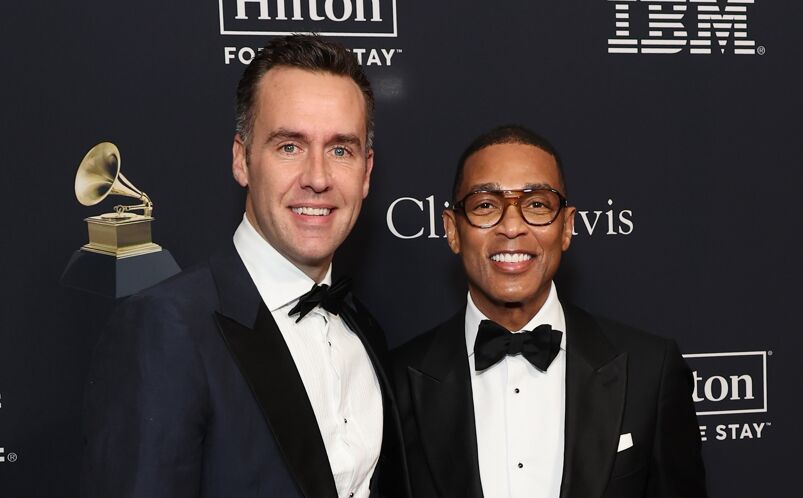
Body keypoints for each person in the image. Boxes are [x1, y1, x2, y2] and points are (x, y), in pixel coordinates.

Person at [81, 35, 409, 498]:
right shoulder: (165, 329)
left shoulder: (365, 331)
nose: (317, 178)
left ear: (366, 172)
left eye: (340, 150)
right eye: (289, 146)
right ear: (242, 159)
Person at [392, 125, 706, 498]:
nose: (512, 227)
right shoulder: (396, 383)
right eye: (486, 205)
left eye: (537, 204)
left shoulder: (650, 372)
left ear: (567, 227)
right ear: (452, 230)